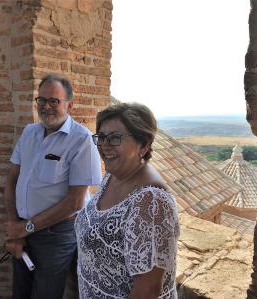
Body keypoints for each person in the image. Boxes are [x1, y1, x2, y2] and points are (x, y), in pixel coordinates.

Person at [4, 74, 102, 298]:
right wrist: (15, 228)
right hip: (22, 229)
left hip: (56, 235)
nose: (46, 106)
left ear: (70, 105)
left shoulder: (82, 140)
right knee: (20, 293)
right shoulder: (29, 132)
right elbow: (12, 179)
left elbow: (75, 202)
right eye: (42, 100)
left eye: (54, 101)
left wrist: (25, 228)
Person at [75, 103, 180, 298]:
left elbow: (147, 291)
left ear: (144, 144)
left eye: (115, 138)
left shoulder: (151, 202)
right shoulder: (113, 176)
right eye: (102, 137)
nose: (104, 145)